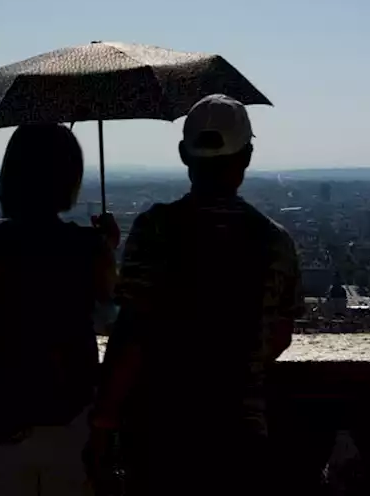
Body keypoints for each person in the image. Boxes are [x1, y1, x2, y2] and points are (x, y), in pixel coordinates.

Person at [88, 94, 301, 496]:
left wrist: (103, 424)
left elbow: (130, 335)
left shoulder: (155, 229)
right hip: (241, 435)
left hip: (162, 431)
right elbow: (279, 336)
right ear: (247, 157)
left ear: (185, 154)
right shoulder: (276, 242)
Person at [0, 123, 119, 496]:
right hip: (72, 417)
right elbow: (112, 311)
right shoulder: (88, 247)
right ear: (70, 179)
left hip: (4, 415)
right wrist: (108, 247)